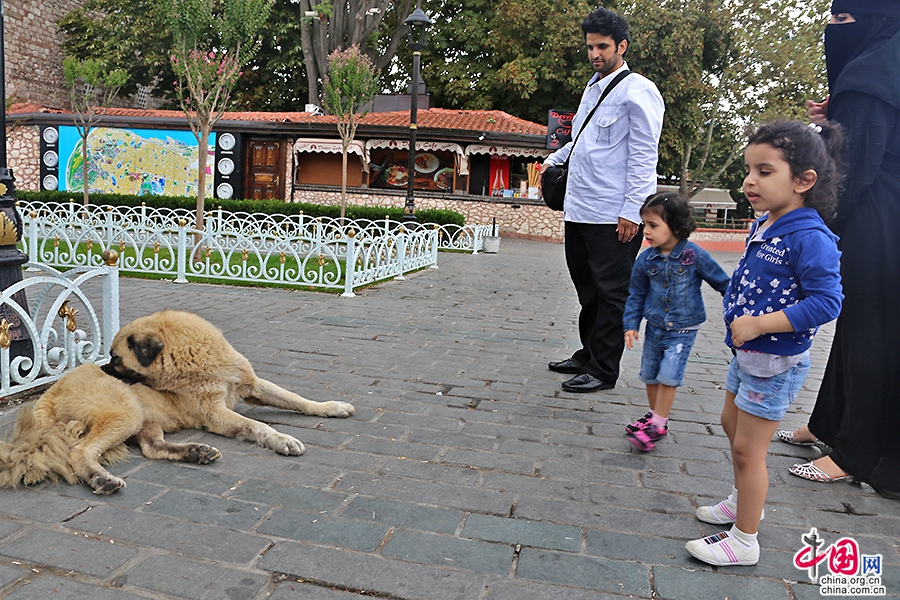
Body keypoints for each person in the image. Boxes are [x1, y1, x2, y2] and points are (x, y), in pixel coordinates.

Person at [686, 121, 844, 567]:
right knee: (729, 425)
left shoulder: (810, 237)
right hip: (749, 355)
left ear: (803, 180)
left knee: (748, 449)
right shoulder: (767, 222)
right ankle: (740, 501)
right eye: (748, 170)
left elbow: (827, 302)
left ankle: (745, 539)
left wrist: (760, 324)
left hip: (775, 360)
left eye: (764, 171)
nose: (749, 181)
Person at [774, 1, 900, 500]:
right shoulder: (883, 68)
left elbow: (852, 172)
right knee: (855, 325)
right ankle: (828, 423)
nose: (833, 31)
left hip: (878, 218)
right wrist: (841, 115)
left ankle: (855, 455)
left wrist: (814, 224)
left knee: (871, 333)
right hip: (887, 212)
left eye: (843, 21)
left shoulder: (870, 75)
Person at [542, 6, 664, 393]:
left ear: (621, 46)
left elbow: (645, 155)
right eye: (590, 47)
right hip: (579, 208)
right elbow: (580, 142)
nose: (595, 54)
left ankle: (603, 369)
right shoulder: (592, 88)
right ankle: (588, 353)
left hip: (614, 214)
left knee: (613, 293)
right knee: (587, 287)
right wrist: (551, 161)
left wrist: (634, 211)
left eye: (602, 47)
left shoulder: (639, 90)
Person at [622, 192, 730, 452]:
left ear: (677, 226)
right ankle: (654, 414)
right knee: (649, 374)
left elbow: (723, 283)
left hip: (683, 329)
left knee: (669, 374)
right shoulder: (645, 260)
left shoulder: (694, 255)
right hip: (655, 327)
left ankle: (658, 423)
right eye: (644, 224)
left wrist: (739, 311)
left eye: (653, 225)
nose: (645, 231)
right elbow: (636, 294)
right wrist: (630, 324)